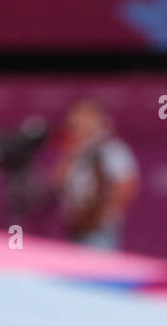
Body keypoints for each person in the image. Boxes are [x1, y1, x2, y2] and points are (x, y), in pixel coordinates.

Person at [50, 97, 139, 250]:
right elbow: (57, 182)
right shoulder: (74, 151)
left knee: (99, 270)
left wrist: (101, 214)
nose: (79, 124)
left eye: (85, 118)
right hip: (75, 224)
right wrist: (71, 152)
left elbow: (126, 186)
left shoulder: (112, 149)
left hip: (100, 228)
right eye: (75, 119)